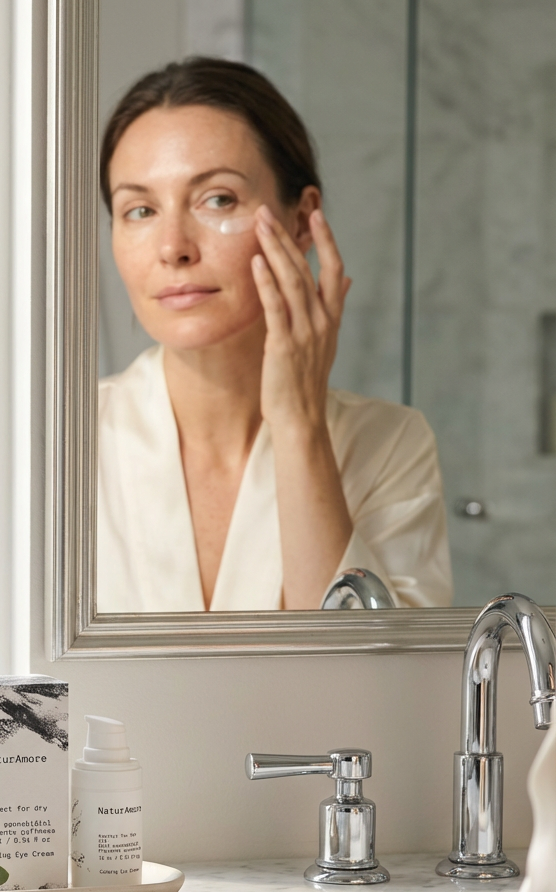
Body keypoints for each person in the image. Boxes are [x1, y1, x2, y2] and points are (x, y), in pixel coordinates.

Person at [97, 57, 452, 612]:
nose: (173, 247)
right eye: (139, 210)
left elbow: (372, 687)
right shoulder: (62, 447)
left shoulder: (389, 446)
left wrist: (299, 425)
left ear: (302, 218)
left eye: (217, 199)